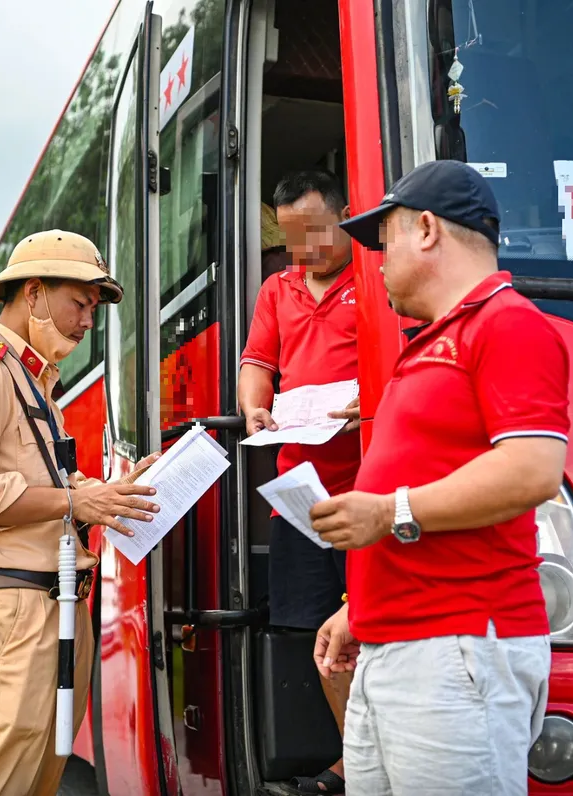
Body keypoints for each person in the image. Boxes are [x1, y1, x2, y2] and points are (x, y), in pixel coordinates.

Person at [309, 160, 569, 795]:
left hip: (455, 652)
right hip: (401, 647)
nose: (376, 260)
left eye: (385, 240)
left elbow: (533, 469)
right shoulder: (431, 341)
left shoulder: (506, 324)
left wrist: (387, 512)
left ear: (427, 229)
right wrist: (361, 612)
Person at [0, 229, 161, 796]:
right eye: (79, 303)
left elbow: (46, 490)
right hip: (14, 614)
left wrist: (108, 493)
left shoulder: (32, 382)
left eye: (92, 309)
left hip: (49, 611)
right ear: (32, 294)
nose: (87, 322)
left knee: (33, 782)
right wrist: (79, 499)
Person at [238, 170, 361, 795]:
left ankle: (370, 762)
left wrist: (370, 404)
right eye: (292, 237)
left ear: (346, 214)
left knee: (375, 628)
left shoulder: (374, 276)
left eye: (317, 230)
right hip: (301, 497)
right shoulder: (276, 290)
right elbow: (257, 362)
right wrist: (255, 405)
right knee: (315, 633)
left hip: (368, 491)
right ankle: (354, 758)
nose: (306, 248)